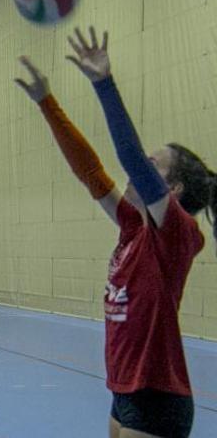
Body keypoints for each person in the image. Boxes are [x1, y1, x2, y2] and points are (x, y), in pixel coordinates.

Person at [15, 26, 217, 438]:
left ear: (171, 191)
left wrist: (103, 83)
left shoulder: (177, 234)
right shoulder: (132, 227)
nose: (140, 162)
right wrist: (46, 103)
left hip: (159, 396)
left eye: (153, 164)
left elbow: (128, 156)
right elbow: (90, 172)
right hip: (123, 391)